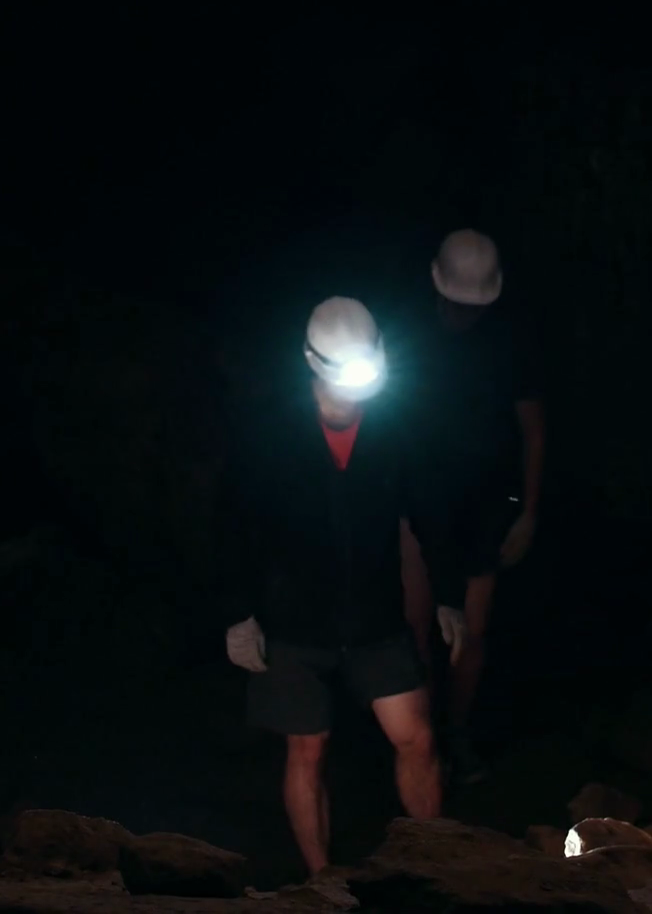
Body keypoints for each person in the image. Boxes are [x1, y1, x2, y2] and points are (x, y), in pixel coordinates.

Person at [221, 296, 449, 877]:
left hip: (374, 614)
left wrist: (446, 594)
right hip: (295, 619)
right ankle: (322, 880)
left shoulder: (394, 426)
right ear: (312, 363)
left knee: (416, 737)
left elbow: (426, 512)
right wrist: (239, 612)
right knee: (307, 748)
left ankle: (440, 866)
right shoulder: (271, 429)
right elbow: (236, 522)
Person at [398, 228, 545, 786]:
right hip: (418, 497)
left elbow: (533, 430)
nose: (465, 313)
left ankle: (456, 732)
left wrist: (528, 511)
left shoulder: (508, 341)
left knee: (473, 631)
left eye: (473, 304)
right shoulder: (409, 335)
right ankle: (421, 738)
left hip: (484, 502)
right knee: (417, 624)